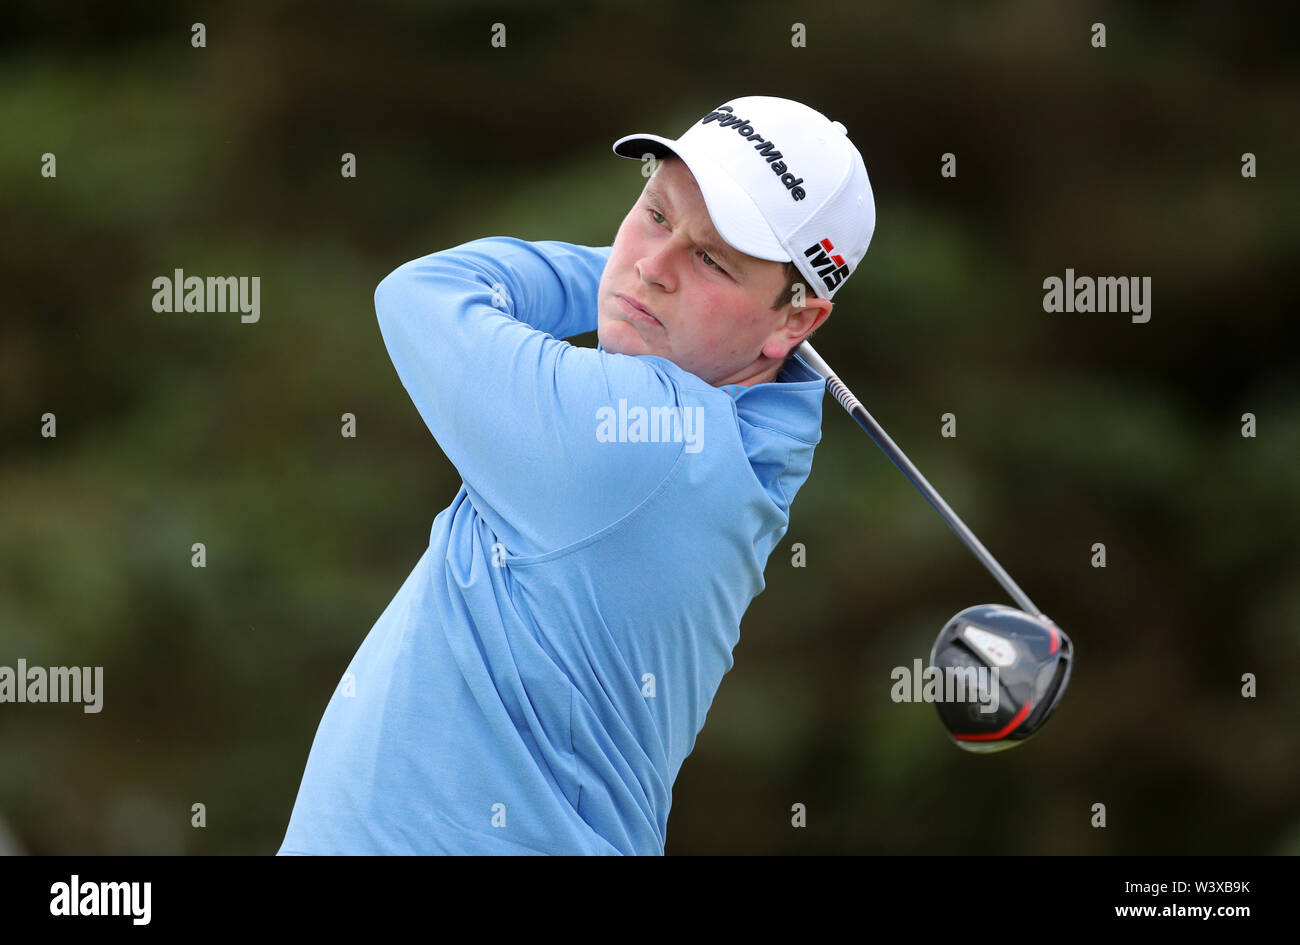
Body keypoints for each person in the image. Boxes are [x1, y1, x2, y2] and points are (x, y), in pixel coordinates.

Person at [278, 95, 875, 855]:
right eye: (655, 214)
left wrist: (614, 272)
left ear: (796, 322)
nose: (653, 266)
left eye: (712, 259)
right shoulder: (740, 437)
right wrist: (654, 276)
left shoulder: (633, 439)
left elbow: (420, 293)